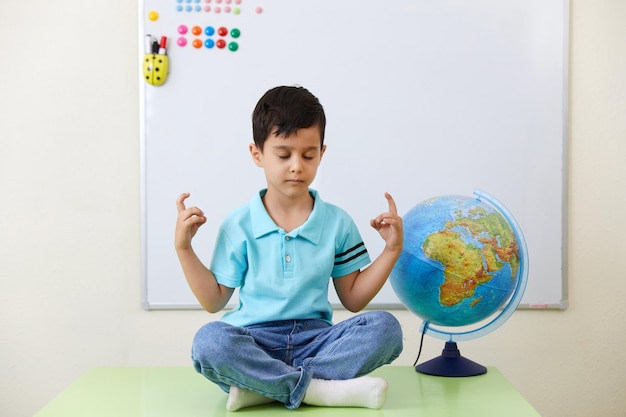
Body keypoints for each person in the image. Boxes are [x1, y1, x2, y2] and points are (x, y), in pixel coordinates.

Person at [174, 85, 404, 411]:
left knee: (386, 329)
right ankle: (320, 390)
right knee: (210, 342)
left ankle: (265, 387)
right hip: (255, 341)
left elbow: (353, 299)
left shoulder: (337, 223)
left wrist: (391, 251)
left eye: (308, 155)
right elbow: (214, 301)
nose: (297, 165)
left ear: (322, 153)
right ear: (258, 154)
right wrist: (184, 248)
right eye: (284, 155)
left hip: (318, 341)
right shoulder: (238, 224)